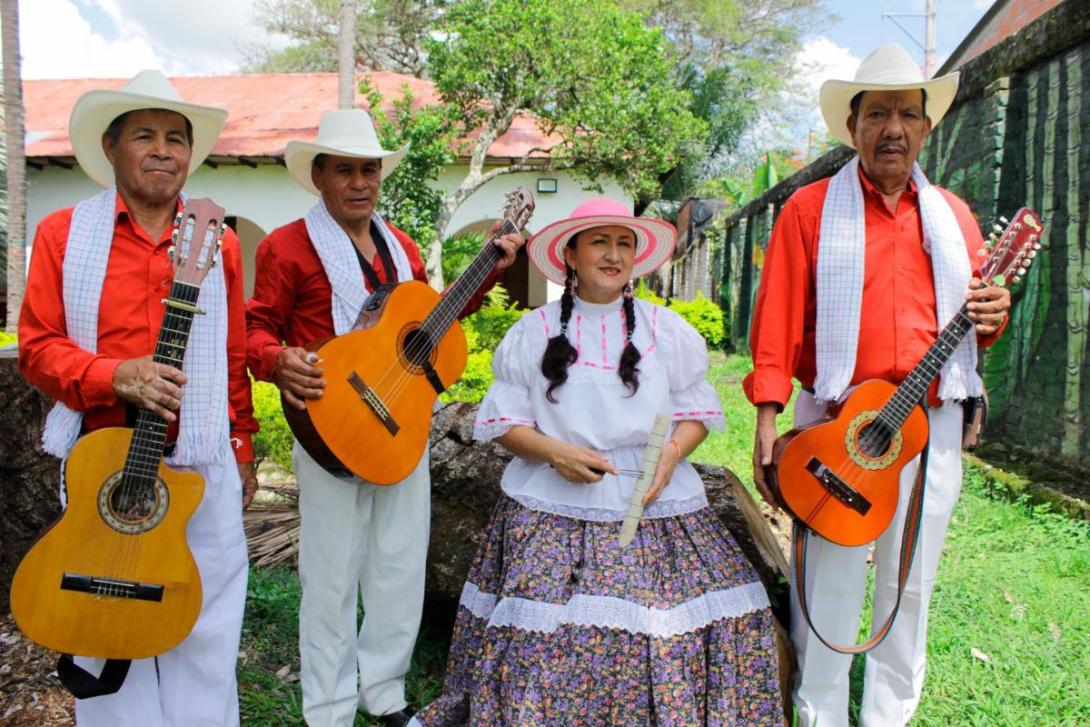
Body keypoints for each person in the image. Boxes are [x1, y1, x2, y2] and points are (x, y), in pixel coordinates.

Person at [411, 197, 785, 726]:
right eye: (600, 242)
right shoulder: (534, 331)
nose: (613, 255)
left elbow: (696, 413)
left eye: (624, 243)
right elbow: (504, 424)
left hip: (652, 500)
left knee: (698, 619)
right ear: (570, 254)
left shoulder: (665, 330)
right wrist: (554, 452)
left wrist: (673, 452)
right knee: (550, 634)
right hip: (552, 503)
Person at [746, 44, 1013, 727]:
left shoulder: (954, 217)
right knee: (828, 578)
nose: (893, 128)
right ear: (852, 126)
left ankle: (889, 714)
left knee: (910, 580)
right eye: (877, 114)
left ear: (926, 127)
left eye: (906, 114)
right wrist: (768, 419)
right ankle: (820, 712)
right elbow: (776, 320)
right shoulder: (808, 210)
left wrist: (994, 314)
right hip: (838, 419)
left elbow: (975, 325)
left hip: (931, 422)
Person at [245, 108, 523, 727]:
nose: (359, 182)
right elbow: (255, 327)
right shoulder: (286, 245)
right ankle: (329, 708)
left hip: (402, 422)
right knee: (331, 576)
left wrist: (487, 272)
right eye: (344, 170)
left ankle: (385, 693)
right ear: (318, 176)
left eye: (369, 170)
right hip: (331, 425)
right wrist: (276, 359)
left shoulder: (400, 245)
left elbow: (426, 321)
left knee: (399, 565)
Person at [17, 69, 257, 726]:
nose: (162, 150)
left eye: (176, 139)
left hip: (199, 459)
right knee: (103, 621)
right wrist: (112, 375)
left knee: (206, 623)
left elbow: (233, 353)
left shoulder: (218, 241)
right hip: (103, 463)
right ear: (111, 147)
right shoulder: (64, 234)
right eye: (144, 135)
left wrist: (241, 443)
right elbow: (37, 346)